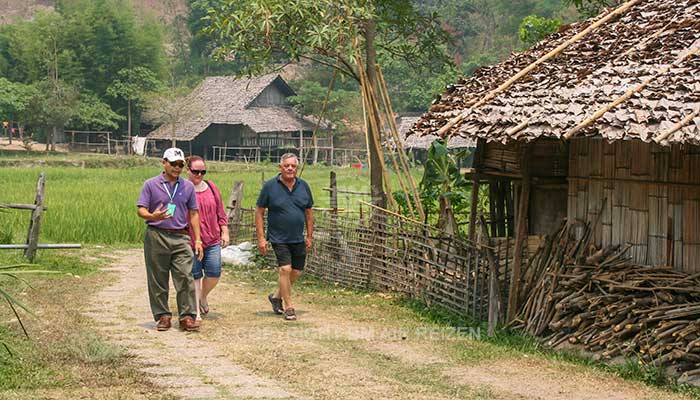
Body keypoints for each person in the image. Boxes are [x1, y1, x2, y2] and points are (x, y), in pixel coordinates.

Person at [137, 147, 203, 332]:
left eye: (181, 164)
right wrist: (152, 216)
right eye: (173, 164)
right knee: (158, 278)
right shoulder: (150, 184)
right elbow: (140, 209)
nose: (177, 167)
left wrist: (197, 240)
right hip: (157, 234)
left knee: (185, 276)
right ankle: (163, 315)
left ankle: (187, 316)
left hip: (181, 236)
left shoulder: (188, 186)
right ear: (164, 162)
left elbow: (194, 213)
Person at [255, 153, 314, 321]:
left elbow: (309, 213)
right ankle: (289, 307)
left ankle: (276, 297)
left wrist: (309, 236)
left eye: (293, 166)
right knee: (285, 269)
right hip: (278, 237)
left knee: (296, 271)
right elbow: (259, 212)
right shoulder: (270, 186)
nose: (290, 168)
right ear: (280, 167)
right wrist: (261, 238)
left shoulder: (304, 186)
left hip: (297, 237)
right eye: (286, 165)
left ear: (296, 168)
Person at [185, 155, 229, 323]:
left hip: (212, 239)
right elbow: (173, 209)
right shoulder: (182, 188)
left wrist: (224, 231)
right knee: (195, 275)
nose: (199, 175)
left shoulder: (211, 187)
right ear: (187, 170)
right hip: (191, 240)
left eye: (203, 171)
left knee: (214, 272)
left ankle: (203, 296)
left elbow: (220, 211)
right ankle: (195, 311)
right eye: (195, 171)